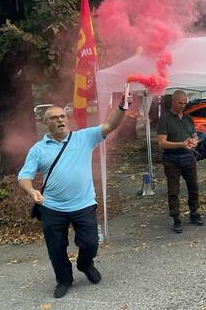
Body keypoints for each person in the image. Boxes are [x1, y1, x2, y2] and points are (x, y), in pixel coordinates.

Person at [18, 93, 132, 298]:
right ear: (45, 123)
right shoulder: (38, 149)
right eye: (54, 118)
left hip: (84, 204)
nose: (60, 120)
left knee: (90, 243)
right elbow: (24, 176)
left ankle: (85, 264)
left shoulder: (84, 137)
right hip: (52, 207)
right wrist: (31, 190)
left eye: (63, 116)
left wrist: (122, 108)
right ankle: (63, 279)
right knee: (56, 248)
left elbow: (109, 126)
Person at [157, 90, 203, 234]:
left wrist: (194, 141)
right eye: (180, 103)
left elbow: (194, 135)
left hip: (188, 157)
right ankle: (176, 218)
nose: (183, 106)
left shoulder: (188, 118)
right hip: (172, 159)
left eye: (185, 103)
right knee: (173, 191)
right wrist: (181, 144)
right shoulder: (164, 119)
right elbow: (162, 143)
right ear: (173, 102)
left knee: (194, 187)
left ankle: (194, 213)